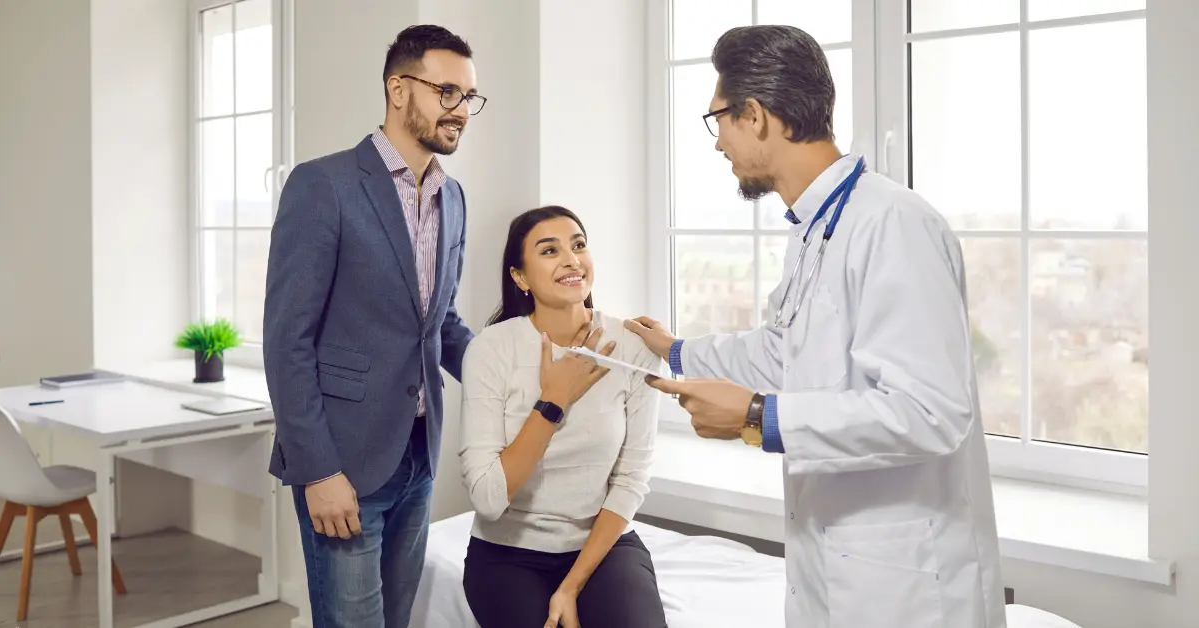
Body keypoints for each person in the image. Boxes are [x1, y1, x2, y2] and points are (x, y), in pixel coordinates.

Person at [625, 25, 1006, 628]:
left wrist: (756, 416)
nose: (718, 142)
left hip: (904, 584)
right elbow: (788, 351)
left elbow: (932, 411)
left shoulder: (892, 224)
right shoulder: (817, 228)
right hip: (835, 564)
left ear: (755, 115)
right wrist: (677, 352)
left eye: (718, 119)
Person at [262, 24, 481, 628]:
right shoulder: (322, 184)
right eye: (447, 92)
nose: (461, 110)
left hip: (417, 456)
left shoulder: (453, 196)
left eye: (469, 97)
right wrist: (318, 470)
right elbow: (287, 341)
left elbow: (439, 324)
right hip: (343, 462)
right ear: (398, 88)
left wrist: (516, 368)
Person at [458, 206, 669, 628]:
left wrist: (571, 587)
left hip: (603, 549)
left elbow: (631, 480)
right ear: (520, 277)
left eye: (578, 245)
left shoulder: (635, 347)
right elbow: (487, 497)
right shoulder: (491, 349)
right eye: (550, 250)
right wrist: (552, 402)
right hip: (507, 555)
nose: (572, 259)